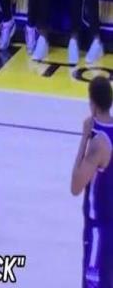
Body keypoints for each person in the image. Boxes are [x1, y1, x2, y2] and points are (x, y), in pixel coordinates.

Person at [71, 75, 113, 288]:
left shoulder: (98, 143)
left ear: (93, 104)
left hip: (100, 230)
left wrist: (84, 138)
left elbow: (75, 186)